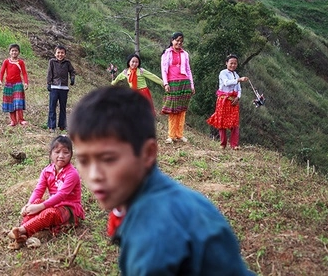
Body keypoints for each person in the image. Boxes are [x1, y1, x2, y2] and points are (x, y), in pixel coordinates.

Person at [68, 86, 255, 275]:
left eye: (108, 159)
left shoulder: (154, 229)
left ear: (148, 153)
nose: (94, 175)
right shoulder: (165, 198)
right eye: (83, 160)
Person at [8, 135, 84, 248]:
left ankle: (22, 230)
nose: (61, 156)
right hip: (53, 205)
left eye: (65, 152)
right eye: (57, 152)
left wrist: (41, 207)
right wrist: (29, 205)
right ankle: (22, 236)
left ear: (71, 155)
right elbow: (38, 190)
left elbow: (61, 195)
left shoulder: (72, 174)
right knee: (36, 202)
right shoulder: (46, 171)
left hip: (69, 209)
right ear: (51, 153)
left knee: (49, 213)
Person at [207, 54, 249, 150]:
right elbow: (226, 82)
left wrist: (238, 97)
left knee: (234, 123)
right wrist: (238, 80)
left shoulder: (236, 74)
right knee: (222, 122)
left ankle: (234, 144)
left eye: (235, 63)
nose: (233, 65)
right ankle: (223, 143)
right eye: (231, 63)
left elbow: (239, 89)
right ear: (226, 63)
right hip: (223, 100)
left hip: (233, 101)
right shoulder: (223, 73)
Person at [160, 32, 194, 144]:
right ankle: (171, 135)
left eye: (181, 41)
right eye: (177, 40)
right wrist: (166, 83)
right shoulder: (166, 53)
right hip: (172, 83)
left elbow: (188, 70)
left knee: (182, 110)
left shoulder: (185, 54)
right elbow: (164, 70)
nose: (179, 43)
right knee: (172, 110)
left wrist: (191, 85)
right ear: (172, 40)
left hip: (184, 82)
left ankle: (180, 134)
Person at [46, 45, 76, 132]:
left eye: (62, 53)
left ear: (65, 54)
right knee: (52, 106)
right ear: (55, 54)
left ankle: (62, 125)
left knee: (63, 107)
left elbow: (72, 71)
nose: (60, 54)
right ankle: (52, 126)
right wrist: (49, 83)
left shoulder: (67, 63)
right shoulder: (52, 62)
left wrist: (72, 78)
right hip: (54, 87)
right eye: (58, 53)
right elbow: (49, 73)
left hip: (64, 88)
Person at [0, 43, 29, 126]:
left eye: (16, 51)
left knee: (18, 102)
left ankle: (21, 119)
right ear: (9, 52)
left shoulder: (21, 62)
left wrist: (26, 82)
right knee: (10, 102)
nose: (14, 52)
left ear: (18, 52)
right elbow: (2, 72)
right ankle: (13, 120)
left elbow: (24, 73)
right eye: (12, 51)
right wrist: (0, 81)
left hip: (18, 84)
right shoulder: (6, 61)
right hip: (8, 84)